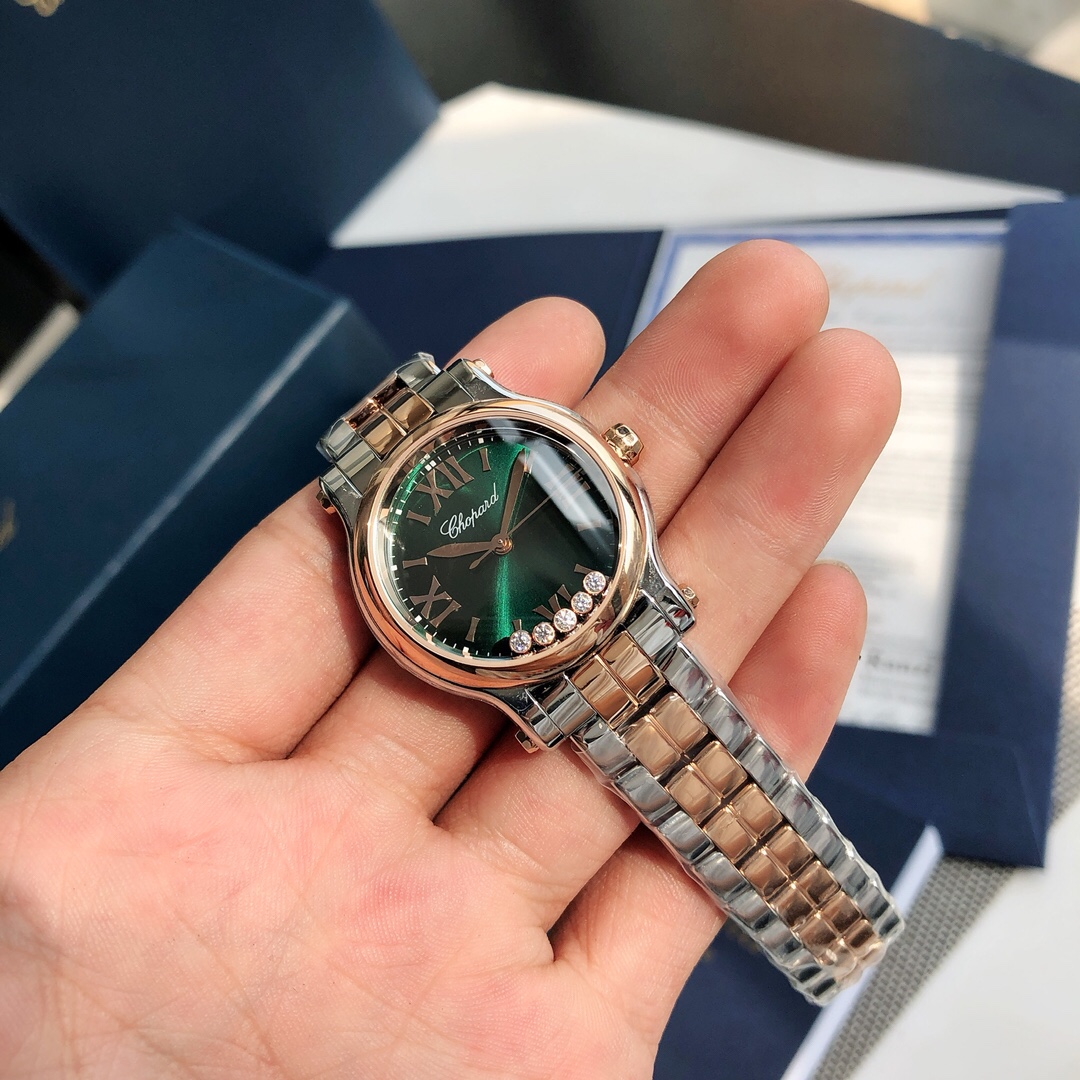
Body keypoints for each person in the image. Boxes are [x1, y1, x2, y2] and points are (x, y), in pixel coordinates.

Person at [0, 241, 899, 1078]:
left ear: (608, 460)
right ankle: (835, 942)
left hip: (616, 618)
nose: (502, 544)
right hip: (551, 673)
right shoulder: (396, 555)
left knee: (736, 781)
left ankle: (843, 929)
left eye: (509, 525)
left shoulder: (513, 461)